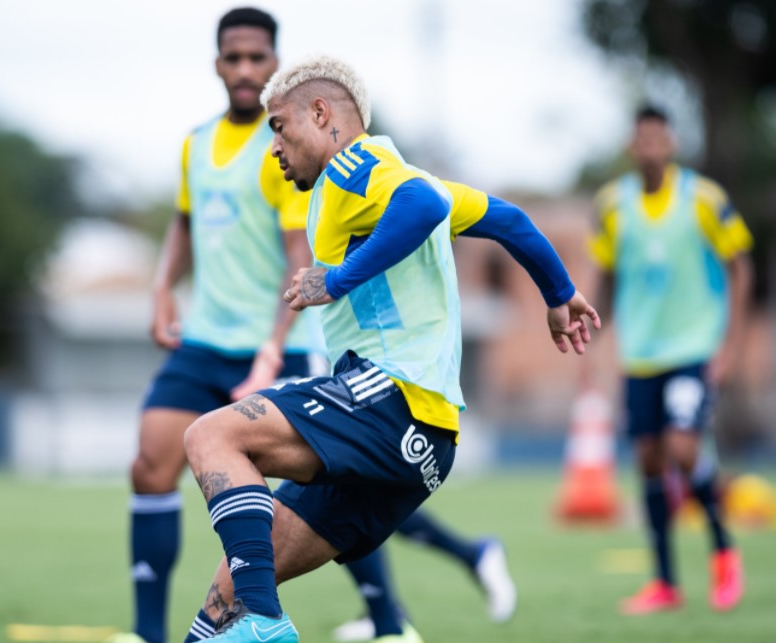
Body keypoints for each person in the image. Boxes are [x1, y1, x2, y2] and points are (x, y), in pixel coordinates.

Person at [114, 10, 507, 643]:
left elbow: (317, 251)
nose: (244, 69)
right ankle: (157, 631)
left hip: (298, 346)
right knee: (157, 472)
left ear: (277, 67)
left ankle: (376, 621)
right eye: (232, 58)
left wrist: (290, 328)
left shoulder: (317, 159)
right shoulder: (198, 144)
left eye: (255, 58)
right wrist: (161, 287)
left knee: (277, 459)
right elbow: (184, 224)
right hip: (209, 339)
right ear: (217, 65)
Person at [177, 54, 598, 643]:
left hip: (392, 398)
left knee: (210, 436)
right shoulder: (389, 179)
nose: (273, 146)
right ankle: (252, 617)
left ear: (322, 114)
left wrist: (337, 278)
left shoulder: (356, 164)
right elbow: (507, 218)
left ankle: (264, 622)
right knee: (224, 600)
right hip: (425, 439)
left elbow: (423, 208)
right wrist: (560, 292)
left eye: (279, 127)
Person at [585, 105, 752, 615]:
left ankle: (724, 551)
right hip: (639, 356)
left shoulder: (703, 198)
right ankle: (664, 583)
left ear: (671, 143)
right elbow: (607, 276)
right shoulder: (612, 205)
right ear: (632, 147)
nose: (651, 148)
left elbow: (741, 267)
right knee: (649, 462)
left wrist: (730, 347)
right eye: (643, 140)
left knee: (683, 448)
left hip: (692, 350)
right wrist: (591, 335)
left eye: (659, 138)